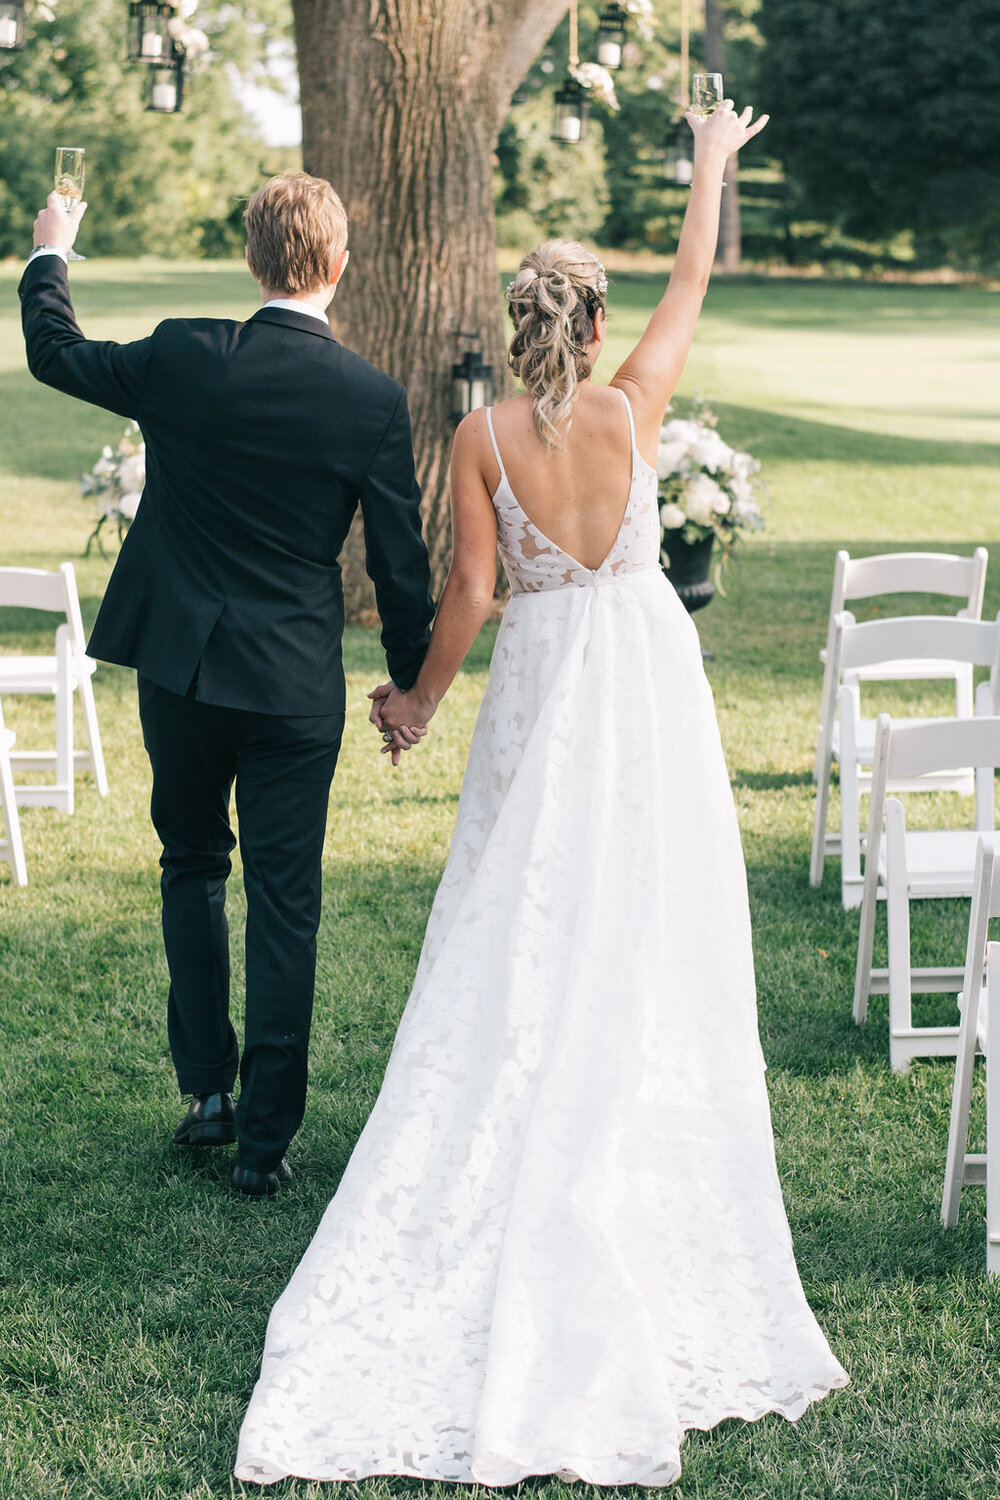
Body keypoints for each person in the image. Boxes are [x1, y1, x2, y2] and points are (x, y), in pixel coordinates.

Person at [235, 103, 847, 1485]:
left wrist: (414, 704)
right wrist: (712, 161)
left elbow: (469, 595)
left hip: (550, 685)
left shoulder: (483, 438)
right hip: (644, 678)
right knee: (642, 899)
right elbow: (695, 282)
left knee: (521, 903)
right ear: (593, 321)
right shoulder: (635, 409)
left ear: (519, 326)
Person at [19, 172, 435, 1199]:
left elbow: (54, 353)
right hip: (294, 684)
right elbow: (401, 567)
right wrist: (407, 686)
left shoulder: (184, 353)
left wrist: (51, 249)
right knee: (285, 904)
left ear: (253, 261)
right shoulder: (373, 401)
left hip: (182, 669)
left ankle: (206, 1095)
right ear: (337, 265)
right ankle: (262, 1143)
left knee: (192, 864)